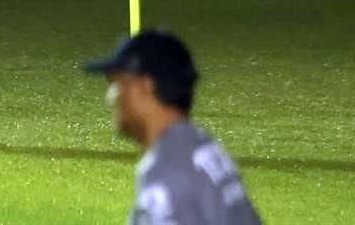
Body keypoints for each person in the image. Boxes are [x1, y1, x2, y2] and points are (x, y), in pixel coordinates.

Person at [83, 30, 263, 224]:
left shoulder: (166, 169)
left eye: (117, 84)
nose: (111, 97)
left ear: (143, 87)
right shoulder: (200, 145)